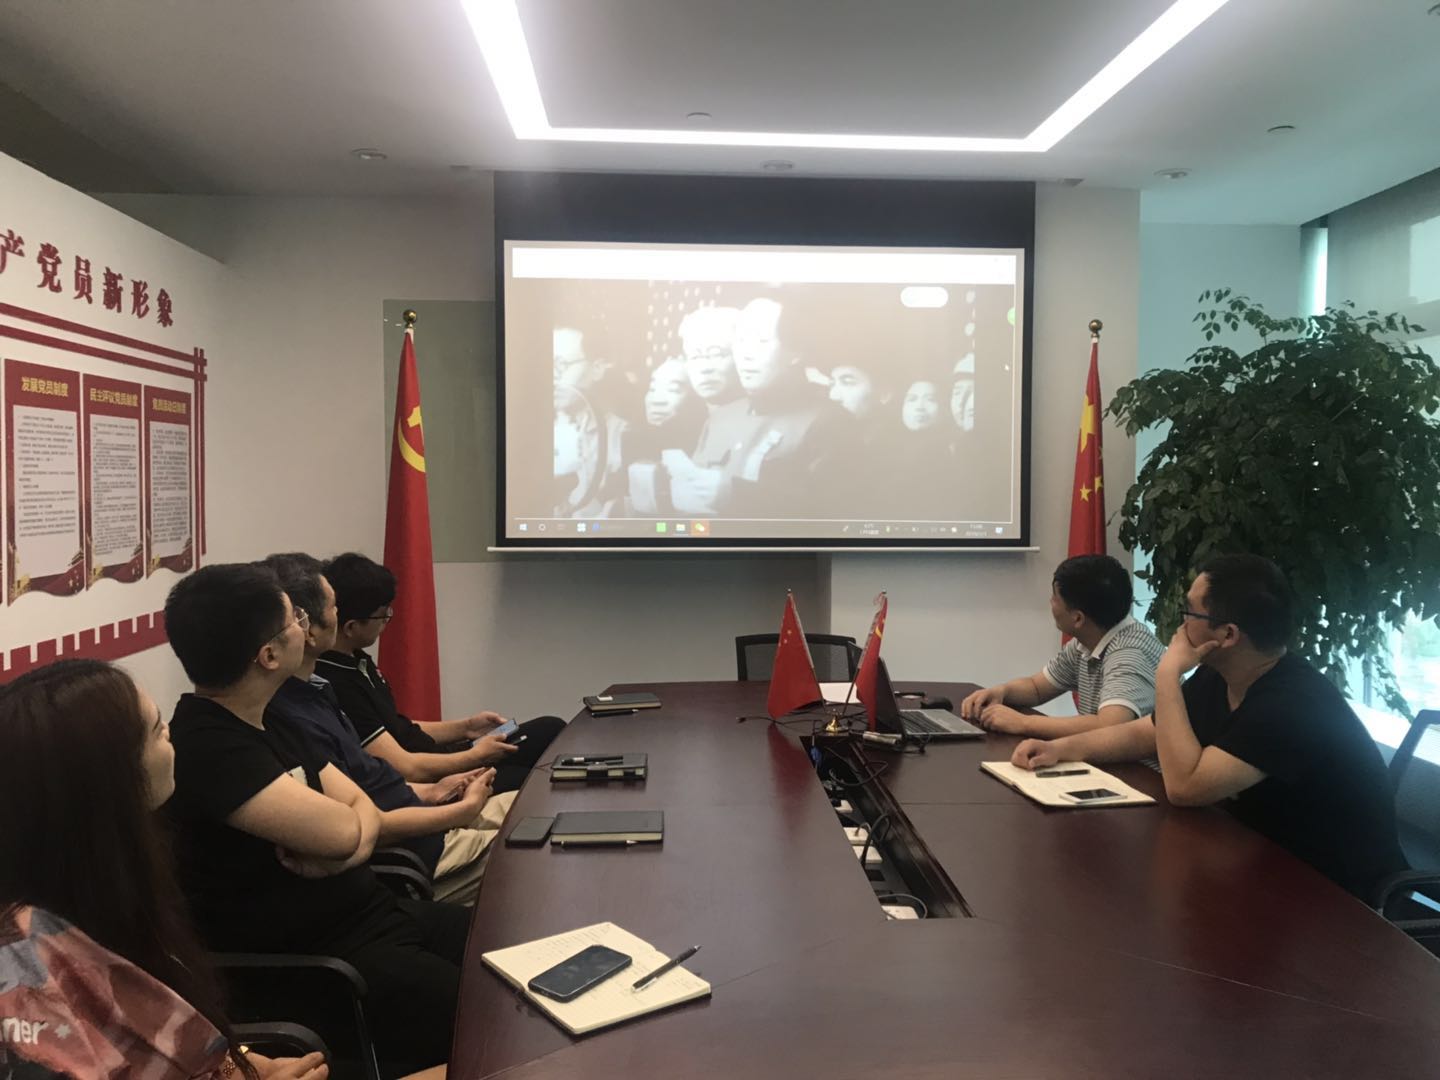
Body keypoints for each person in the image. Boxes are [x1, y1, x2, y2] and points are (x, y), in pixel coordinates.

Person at [162, 563, 470, 1075]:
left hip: (375, 915)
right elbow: (346, 828)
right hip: (327, 962)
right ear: (268, 655)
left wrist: (347, 846)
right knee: (501, 1017)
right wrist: (350, 837)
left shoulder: (270, 717)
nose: (304, 629)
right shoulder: (209, 747)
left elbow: (363, 813)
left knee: (508, 947)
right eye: (294, 621)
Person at [0, 659, 328, 1080]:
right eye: (156, 729)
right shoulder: (26, 984)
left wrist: (237, 1063)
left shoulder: (106, 889)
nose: (170, 733)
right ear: (110, 780)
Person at [1010, 554, 1408, 901]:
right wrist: (1062, 750)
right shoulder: (1220, 676)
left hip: (1341, 901)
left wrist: (1167, 674)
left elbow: (1186, 787)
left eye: (1190, 612)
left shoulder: (1291, 705)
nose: (1180, 624)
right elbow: (1146, 732)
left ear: (1228, 635)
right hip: (1262, 865)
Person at [262, 553, 508, 904]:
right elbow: (365, 821)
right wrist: (458, 808)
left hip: (426, 817)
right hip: (421, 848)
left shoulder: (317, 689)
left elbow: (369, 781)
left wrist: (432, 791)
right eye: (333, 607)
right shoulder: (290, 718)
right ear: (307, 630)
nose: (339, 614)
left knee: (542, 816)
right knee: (540, 854)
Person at [317, 552, 565, 790]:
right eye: (382, 616)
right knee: (536, 777)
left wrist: (467, 727)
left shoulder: (357, 660)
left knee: (550, 728)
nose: (386, 622)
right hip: (431, 779)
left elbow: (398, 728)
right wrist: (476, 756)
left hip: (438, 755)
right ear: (351, 627)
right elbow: (406, 768)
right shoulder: (338, 683)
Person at [962, 555, 1164, 739]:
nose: (1050, 602)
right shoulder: (1087, 641)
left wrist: (1024, 723)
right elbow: (1037, 688)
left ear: (1078, 618)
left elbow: (1110, 726)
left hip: (1138, 767)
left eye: (1055, 598)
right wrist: (1002, 691)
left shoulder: (1129, 654)